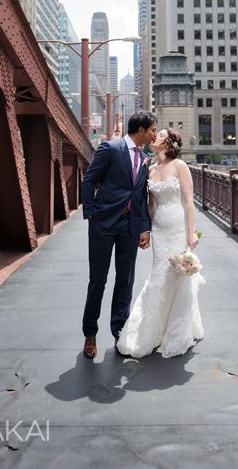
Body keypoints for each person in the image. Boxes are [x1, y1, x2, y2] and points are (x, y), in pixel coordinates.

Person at [117, 127, 204, 358]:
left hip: (177, 227)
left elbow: (188, 201)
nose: (155, 136)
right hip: (160, 230)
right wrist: (144, 229)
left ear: (168, 143)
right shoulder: (150, 169)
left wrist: (191, 233)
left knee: (178, 276)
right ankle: (151, 330)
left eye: (161, 135)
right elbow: (151, 205)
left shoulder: (180, 166)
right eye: (156, 134)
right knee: (159, 275)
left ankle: (176, 331)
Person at [81, 110, 158, 359]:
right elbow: (89, 180)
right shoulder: (111, 149)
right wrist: (92, 213)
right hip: (103, 225)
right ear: (141, 130)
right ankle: (90, 333)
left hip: (130, 226)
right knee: (98, 281)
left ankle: (119, 333)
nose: (155, 134)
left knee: (125, 281)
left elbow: (141, 196)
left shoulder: (145, 157)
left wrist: (144, 227)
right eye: (153, 130)